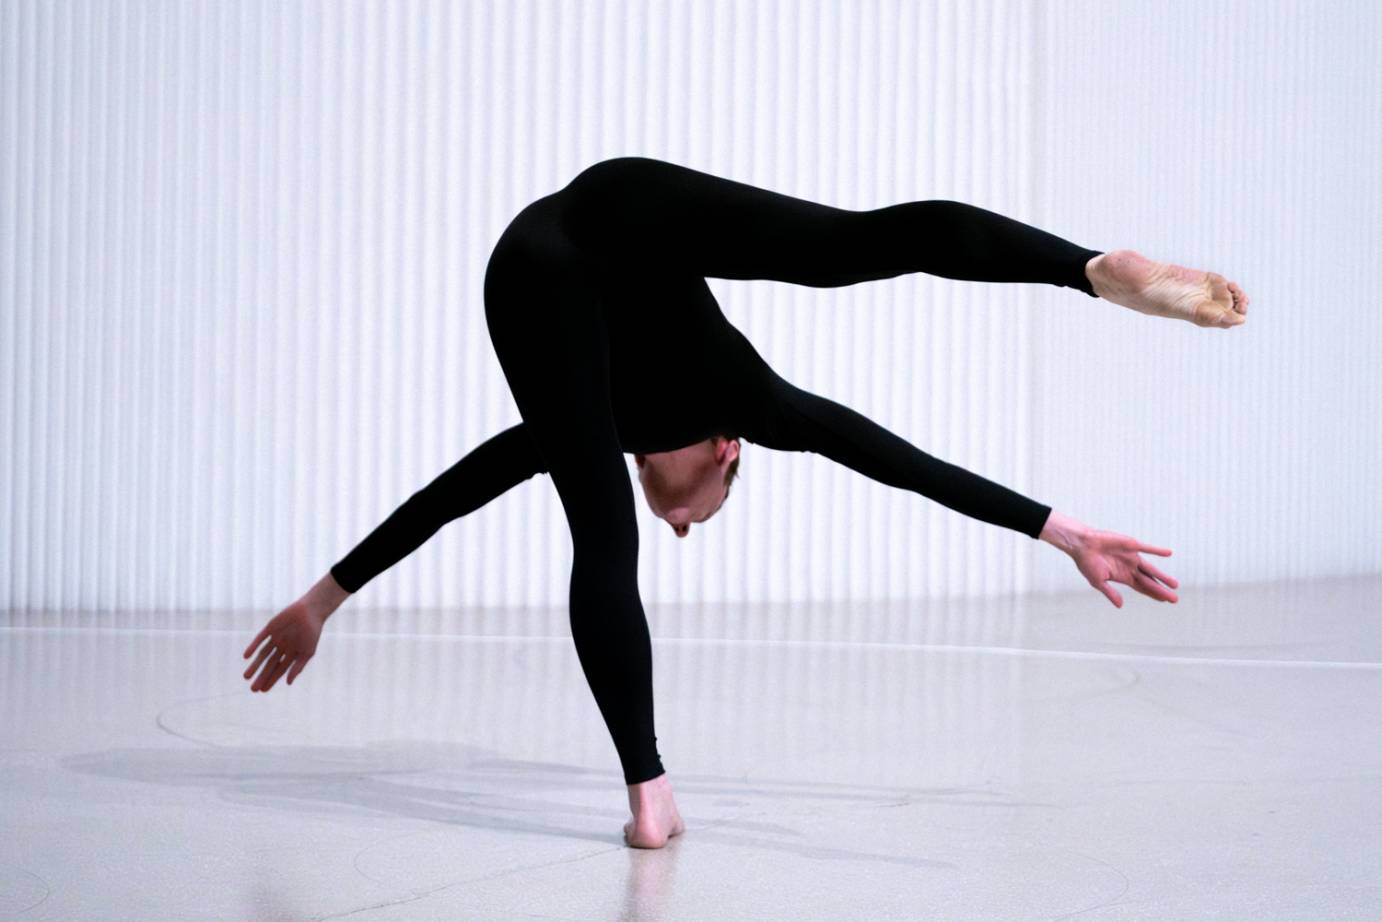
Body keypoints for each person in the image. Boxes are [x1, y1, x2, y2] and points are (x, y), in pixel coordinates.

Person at [242, 156, 1250, 849]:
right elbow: (888, 457)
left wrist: (324, 598)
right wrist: (1051, 524)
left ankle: (1086, 268)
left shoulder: (616, 418)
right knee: (845, 246)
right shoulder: (742, 401)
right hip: (609, 223)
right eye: (700, 512)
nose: (677, 518)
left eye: (685, 519)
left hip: (550, 253)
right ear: (728, 455)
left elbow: (451, 493)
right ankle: (1078, 268)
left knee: (842, 252)